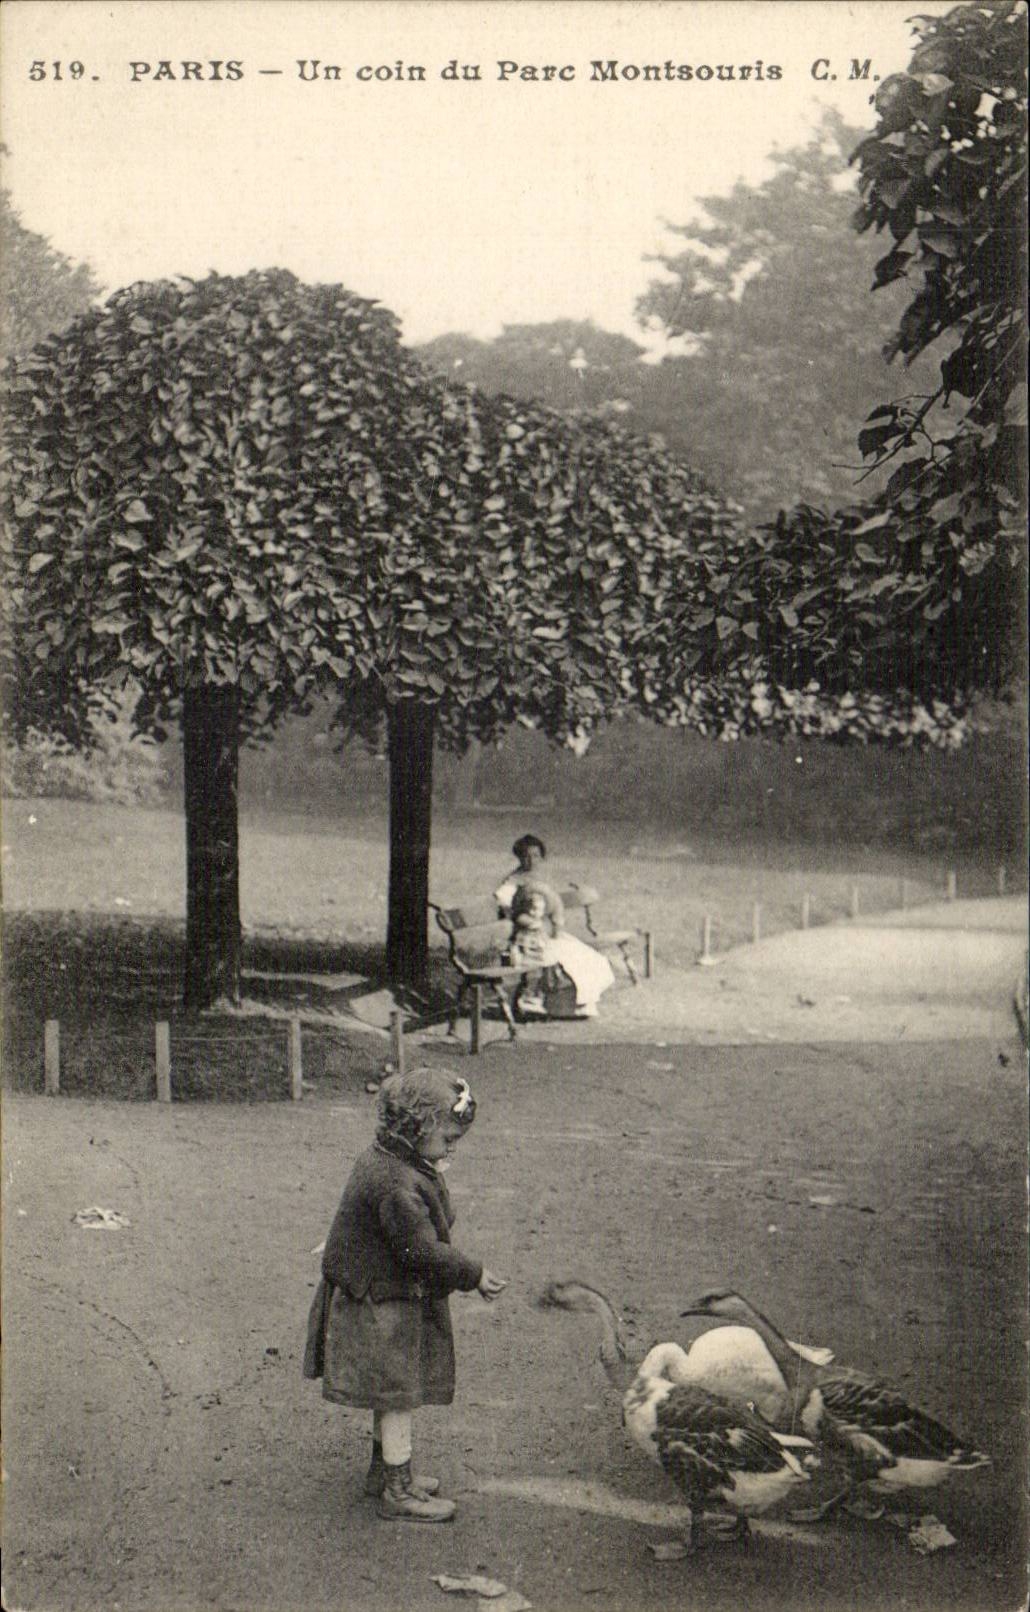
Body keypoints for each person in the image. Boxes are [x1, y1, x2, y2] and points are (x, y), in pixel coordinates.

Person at [303, 1066, 507, 1523]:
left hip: (374, 1290)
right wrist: (472, 1274)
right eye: (448, 1138)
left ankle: (384, 1472)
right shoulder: (397, 1182)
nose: (453, 1148)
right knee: (397, 1393)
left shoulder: (389, 1159)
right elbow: (420, 1250)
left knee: (388, 1390)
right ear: (418, 1127)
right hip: (377, 1303)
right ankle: (399, 1489)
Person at [494, 834, 614, 1019]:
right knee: (564, 957)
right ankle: (539, 1000)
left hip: (548, 931)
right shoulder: (514, 881)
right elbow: (508, 908)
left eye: (535, 856)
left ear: (541, 857)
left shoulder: (540, 878)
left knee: (589, 957)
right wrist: (529, 921)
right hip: (527, 935)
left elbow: (553, 904)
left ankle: (583, 1003)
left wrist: (556, 923)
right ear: (519, 857)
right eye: (526, 856)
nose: (531, 860)